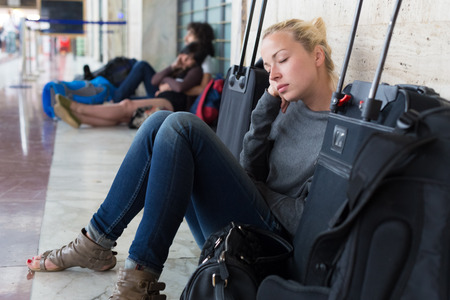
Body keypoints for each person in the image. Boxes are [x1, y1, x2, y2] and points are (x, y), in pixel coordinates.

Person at [27, 17, 337, 299]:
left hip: (266, 251)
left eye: (282, 60)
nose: (275, 75)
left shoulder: (340, 132)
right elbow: (249, 168)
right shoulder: (288, 104)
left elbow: (303, 219)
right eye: (269, 67)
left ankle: (137, 281)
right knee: (158, 121)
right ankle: (95, 241)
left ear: (317, 56)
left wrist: (253, 187)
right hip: (237, 233)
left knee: (180, 126)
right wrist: (266, 106)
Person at [54, 41, 206, 128]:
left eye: (188, 59)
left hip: (173, 102)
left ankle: (77, 107)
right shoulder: (180, 67)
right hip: (166, 98)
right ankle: (80, 118)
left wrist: (166, 84)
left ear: (196, 61)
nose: (184, 62)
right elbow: (155, 80)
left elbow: (180, 87)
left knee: (126, 106)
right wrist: (173, 67)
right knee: (124, 116)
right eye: (183, 57)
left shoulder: (196, 70)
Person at [112, 22, 216, 103]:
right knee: (141, 65)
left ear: (200, 37)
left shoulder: (205, 59)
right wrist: (170, 75)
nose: (185, 37)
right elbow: (155, 80)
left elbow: (203, 89)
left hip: (173, 96)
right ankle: (117, 98)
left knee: (126, 101)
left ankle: (117, 98)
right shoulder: (185, 54)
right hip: (165, 89)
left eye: (190, 34)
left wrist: (173, 87)